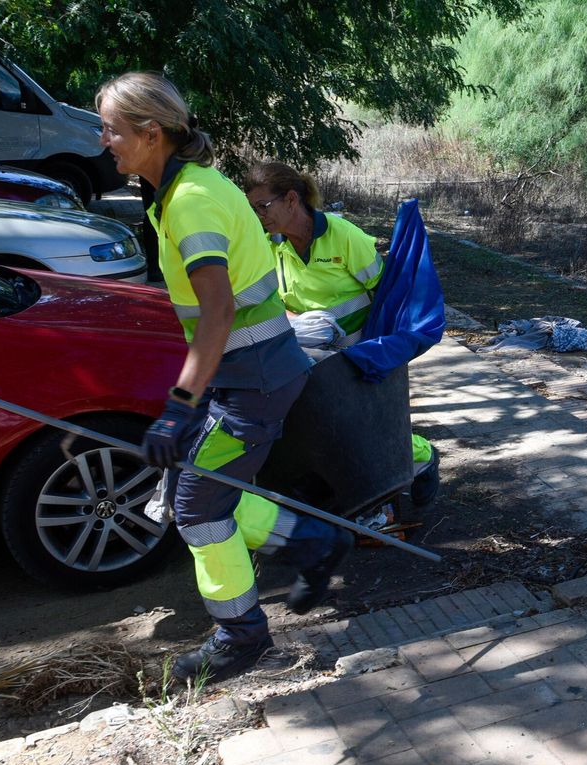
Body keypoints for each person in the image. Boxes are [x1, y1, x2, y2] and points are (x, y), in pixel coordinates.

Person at [96, 73, 353, 681]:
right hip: (249, 374)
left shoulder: (189, 201)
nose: (102, 141)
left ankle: (242, 637)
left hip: (255, 380)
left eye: (111, 129)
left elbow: (217, 310)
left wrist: (179, 406)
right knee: (206, 489)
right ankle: (313, 543)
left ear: (150, 132)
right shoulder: (182, 189)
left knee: (196, 508)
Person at [241, 162, 440, 508]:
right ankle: (336, 491)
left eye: (263, 206)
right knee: (322, 426)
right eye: (253, 208)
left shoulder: (343, 236)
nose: (259, 215)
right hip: (313, 353)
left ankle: (421, 458)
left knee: (362, 429)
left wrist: (383, 353)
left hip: (359, 351)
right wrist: (302, 322)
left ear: (291, 199)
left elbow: (389, 294)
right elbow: (274, 301)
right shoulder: (271, 246)